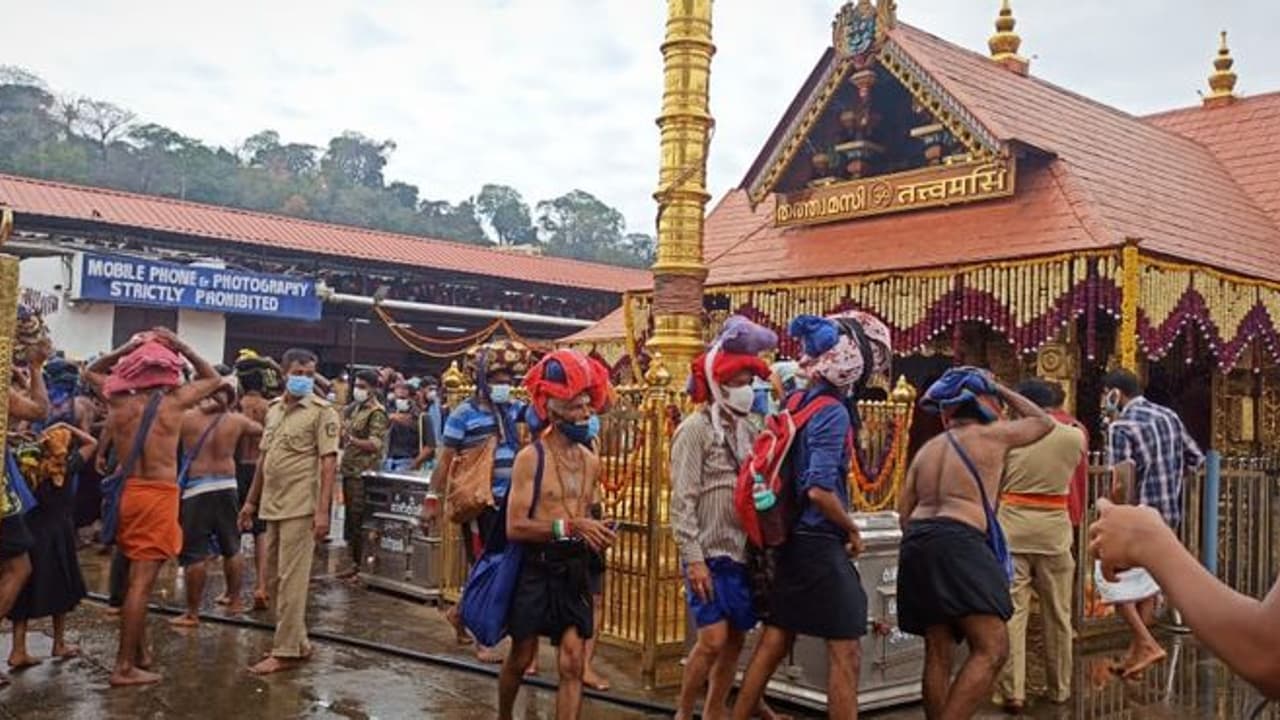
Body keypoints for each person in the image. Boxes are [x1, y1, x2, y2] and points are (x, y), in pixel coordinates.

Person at [733, 312, 892, 720]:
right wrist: (852, 528)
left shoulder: (797, 401)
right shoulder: (833, 412)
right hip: (818, 543)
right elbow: (819, 489)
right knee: (847, 650)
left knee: (775, 639)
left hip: (790, 538)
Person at [897, 367, 1053, 720]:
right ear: (986, 406)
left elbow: (903, 513)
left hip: (918, 543)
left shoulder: (927, 451)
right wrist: (999, 387)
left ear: (948, 411)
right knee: (993, 647)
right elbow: (1043, 422)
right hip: (959, 540)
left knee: (937, 651)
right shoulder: (992, 436)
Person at [87, 328, 223, 686]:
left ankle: (140, 653)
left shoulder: (119, 402)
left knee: (135, 577)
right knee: (142, 586)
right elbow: (214, 378)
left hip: (130, 492)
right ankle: (123, 667)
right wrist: (183, 346)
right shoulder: (175, 401)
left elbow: (91, 371)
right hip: (159, 494)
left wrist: (125, 349)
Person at [497, 349, 616, 720]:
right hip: (536, 567)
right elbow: (515, 527)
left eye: (587, 405)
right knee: (521, 656)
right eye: (577, 407)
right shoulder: (531, 458)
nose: (585, 414)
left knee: (572, 661)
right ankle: (504, 715)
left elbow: (588, 511)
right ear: (553, 408)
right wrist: (571, 526)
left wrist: (600, 527)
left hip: (573, 568)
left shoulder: (591, 461)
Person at [671, 318, 778, 720]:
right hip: (709, 552)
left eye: (752, 378)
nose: (748, 388)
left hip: (742, 552)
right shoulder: (694, 430)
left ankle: (715, 711)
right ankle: (684, 710)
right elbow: (682, 499)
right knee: (712, 639)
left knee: (734, 640)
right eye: (741, 379)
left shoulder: (752, 428)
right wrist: (693, 556)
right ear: (720, 384)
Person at [1089, 498, 1280, 699]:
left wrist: (1147, 541)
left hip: (1144, 527)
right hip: (1151, 525)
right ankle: (1142, 644)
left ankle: (1144, 643)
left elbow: (1269, 655)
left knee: (1119, 589)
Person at [425, 339, 530, 663]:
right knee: (486, 569)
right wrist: (432, 497)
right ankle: (483, 639)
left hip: (511, 504)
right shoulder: (462, 415)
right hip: (481, 505)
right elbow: (444, 461)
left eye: (508, 382)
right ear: (483, 381)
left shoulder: (513, 410)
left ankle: (460, 614)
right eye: (497, 381)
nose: (504, 387)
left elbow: (541, 414)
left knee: (496, 569)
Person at [238, 347, 340, 675]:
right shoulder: (274, 410)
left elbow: (328, 465)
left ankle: (285, 651)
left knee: (292, 581)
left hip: (301, 506)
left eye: (310, 375)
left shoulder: (323, 412)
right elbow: (264, 461)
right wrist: (250, 502)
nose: (304, 380)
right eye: (298, 373)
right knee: (271, 578)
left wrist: (323, 512)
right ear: (284, 374)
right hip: (271, 504)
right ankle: (298, 643)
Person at [1099, 368, 1203, 678]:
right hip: (1167, 516)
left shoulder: (1122, 426)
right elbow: (1196, 458)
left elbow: (1119, 480)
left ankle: (1147, 643)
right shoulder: (1168, 416)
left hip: (1136, 518)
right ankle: (1137, 655)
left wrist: (1111, 511)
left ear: (1115, 394)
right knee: (1144, 586)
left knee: (1111, 585)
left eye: (1106, 394)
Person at [993, 379, 1086, 712]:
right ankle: (1059, 687)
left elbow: (995, 484)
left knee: (1012, 614)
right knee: (1059, 615)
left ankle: (1012, 691)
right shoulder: (1074, 436)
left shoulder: (1007, 438)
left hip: (1012, 529)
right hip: (1054, 531)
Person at [170, 380, 263, 625]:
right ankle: (234, 600)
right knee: (231, 546)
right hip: (227, 484)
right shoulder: (236, 421)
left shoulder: (186, 418)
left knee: (195, 553)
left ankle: (192, 613)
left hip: (197, 488)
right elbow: (263, 430)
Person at [8, 421, 96, 668]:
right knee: (63, 587)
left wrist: (24, 438)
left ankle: (18, 649)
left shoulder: (27, 466)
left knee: (24, 591)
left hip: (28, 530)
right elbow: (93, 443)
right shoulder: (66, 466)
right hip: (58, 533)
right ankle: (58, 643)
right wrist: (65, 424)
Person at [339, 370, 388, 577]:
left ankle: (360, 566)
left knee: (359, 519)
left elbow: (375, 444)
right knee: (350, 519)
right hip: (350, 470)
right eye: (356, 386)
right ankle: (352, 563)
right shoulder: (356, 409)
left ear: (373, 388)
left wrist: (352, 440)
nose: (358, 390)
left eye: (362, 387)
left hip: (362, 473)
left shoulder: (376, 412)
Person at [384, 381, 434, 474]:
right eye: (397, 398)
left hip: (408, 460)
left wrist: (414, 463)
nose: (399, 401)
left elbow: (430, 446)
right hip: (389, 461)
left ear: (413, 398)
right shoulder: (391, 415)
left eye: (403, 398)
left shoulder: (422, 417)